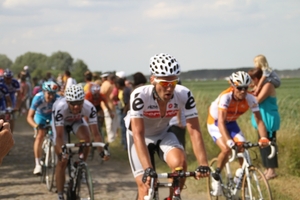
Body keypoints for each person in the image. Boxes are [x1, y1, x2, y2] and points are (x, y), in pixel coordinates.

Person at [125, 53, 210, 200]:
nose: (169, 88)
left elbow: (194, 130)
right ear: (153, 80)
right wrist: (148, 169)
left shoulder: (184, 94)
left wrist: (203, 163)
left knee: (181, 165)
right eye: (164, 83)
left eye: (174, 83)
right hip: (139, 137)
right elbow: (138, 133)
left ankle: (171, 198)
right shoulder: (140, 95)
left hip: (163, 133)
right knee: (145, 186)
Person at [207, 71, 271, 196]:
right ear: (232, 86)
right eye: (239, 88)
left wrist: (263, 137)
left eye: (245, 88)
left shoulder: (251, 98)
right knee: (226, 149)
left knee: (244, 148)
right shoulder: (226, 97)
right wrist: (229, 141)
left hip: (231, 124)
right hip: (215, 123)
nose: (242, 91)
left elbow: (259, 120)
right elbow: (220, 122)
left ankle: (241, 178)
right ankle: (216, 176)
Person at [52, 84, 108, 200]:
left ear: (83, 100)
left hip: (76, 121)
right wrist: (62, 151)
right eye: (73, 104)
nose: (77, 107)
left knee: (86, 139)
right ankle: (60, 194)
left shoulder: (89, 107)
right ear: (67, 102)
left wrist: (102, 152)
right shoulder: (60, 107)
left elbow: (96, 134)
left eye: (79, 103)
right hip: (60, 125)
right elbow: (59, 136)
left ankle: (80, 165)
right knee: (62, 160)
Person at [248, 68, 280, 180]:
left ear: (257, 79)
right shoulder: (260, 86)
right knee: (262, 145)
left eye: (252, 80)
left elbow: (257, 100)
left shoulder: (268, 86)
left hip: (268, 118)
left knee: (269, 144)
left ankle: (272, 170)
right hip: (262, 118)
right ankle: (267, 169)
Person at [27, 81, 60, 175]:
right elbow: (29, 117)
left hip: (51, 117)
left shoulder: (58, 99)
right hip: (40, 117)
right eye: (49, 94)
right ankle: (37, 164)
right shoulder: (37, 98)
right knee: (40, 136)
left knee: (58, 136)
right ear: (44, 92)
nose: (51, 97)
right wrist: (36, 126)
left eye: (53, 94)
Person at [0, 69, 22, 134]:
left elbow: (19, 96)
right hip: (2, 98)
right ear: (3, 77)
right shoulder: (1, 82)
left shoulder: (15, 82)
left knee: (11, 116)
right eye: (7, 78)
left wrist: (17, 106)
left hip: (11, 98)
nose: (8, 80)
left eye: (10, 78)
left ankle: (10, 133)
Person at [101, 73, 118, 143]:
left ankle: (111, 138)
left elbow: (102, 95)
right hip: (111, 106)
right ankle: (112, 138)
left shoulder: (105, 84)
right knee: (113, 123)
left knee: (109, 123)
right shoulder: (112, 84)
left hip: (106, 106)